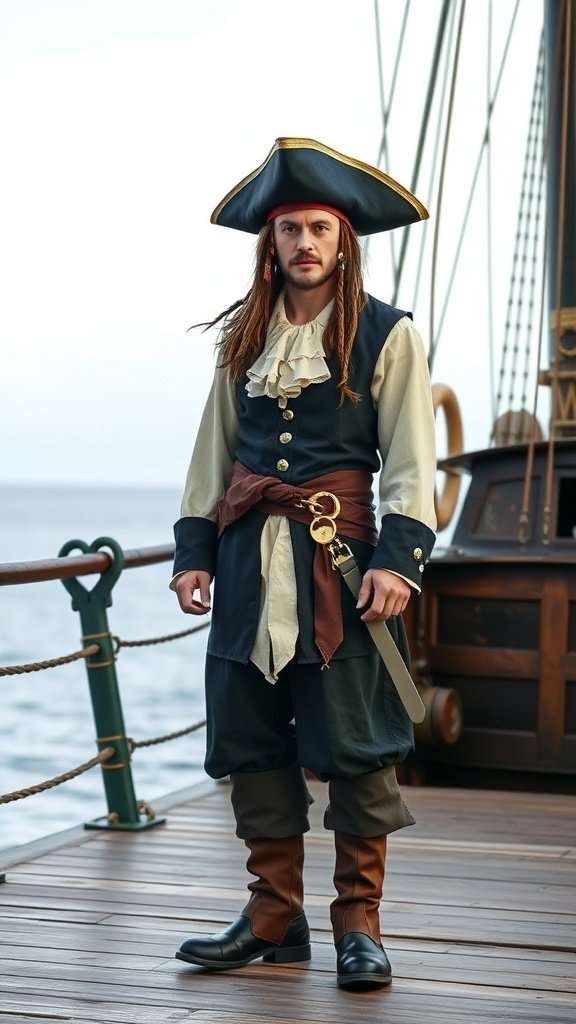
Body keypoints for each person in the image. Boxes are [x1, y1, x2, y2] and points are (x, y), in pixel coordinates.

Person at [171, 137, 437, 990]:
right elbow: (212, 455)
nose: (304, 244)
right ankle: (271, 917)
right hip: (249, 567)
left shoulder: (388, 334)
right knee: (252, 739)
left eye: (318, 227)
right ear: (271, 241)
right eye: (289, 229)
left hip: (346, 567)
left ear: (343, 238)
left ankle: (359, 923)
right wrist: (193, 553)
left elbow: (410, 463)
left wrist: (399, 560)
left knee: (359, 745)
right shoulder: (242, 337)